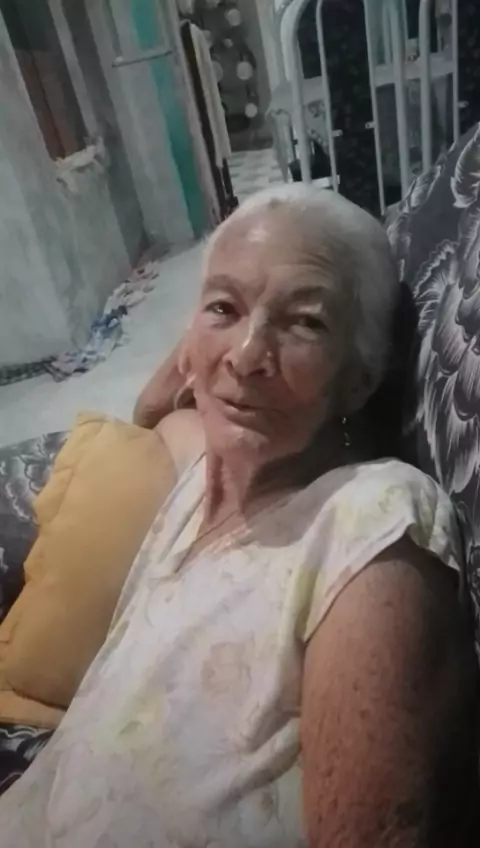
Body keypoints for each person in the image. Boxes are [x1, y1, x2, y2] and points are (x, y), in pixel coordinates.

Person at [0, 185, 477, 847]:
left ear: (360, 378)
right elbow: (152, 411)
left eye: (305, 323)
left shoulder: (372, 523)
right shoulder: (206, 469)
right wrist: (200, 357)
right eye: (224, 308)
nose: (248, 356)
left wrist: (220, 331)